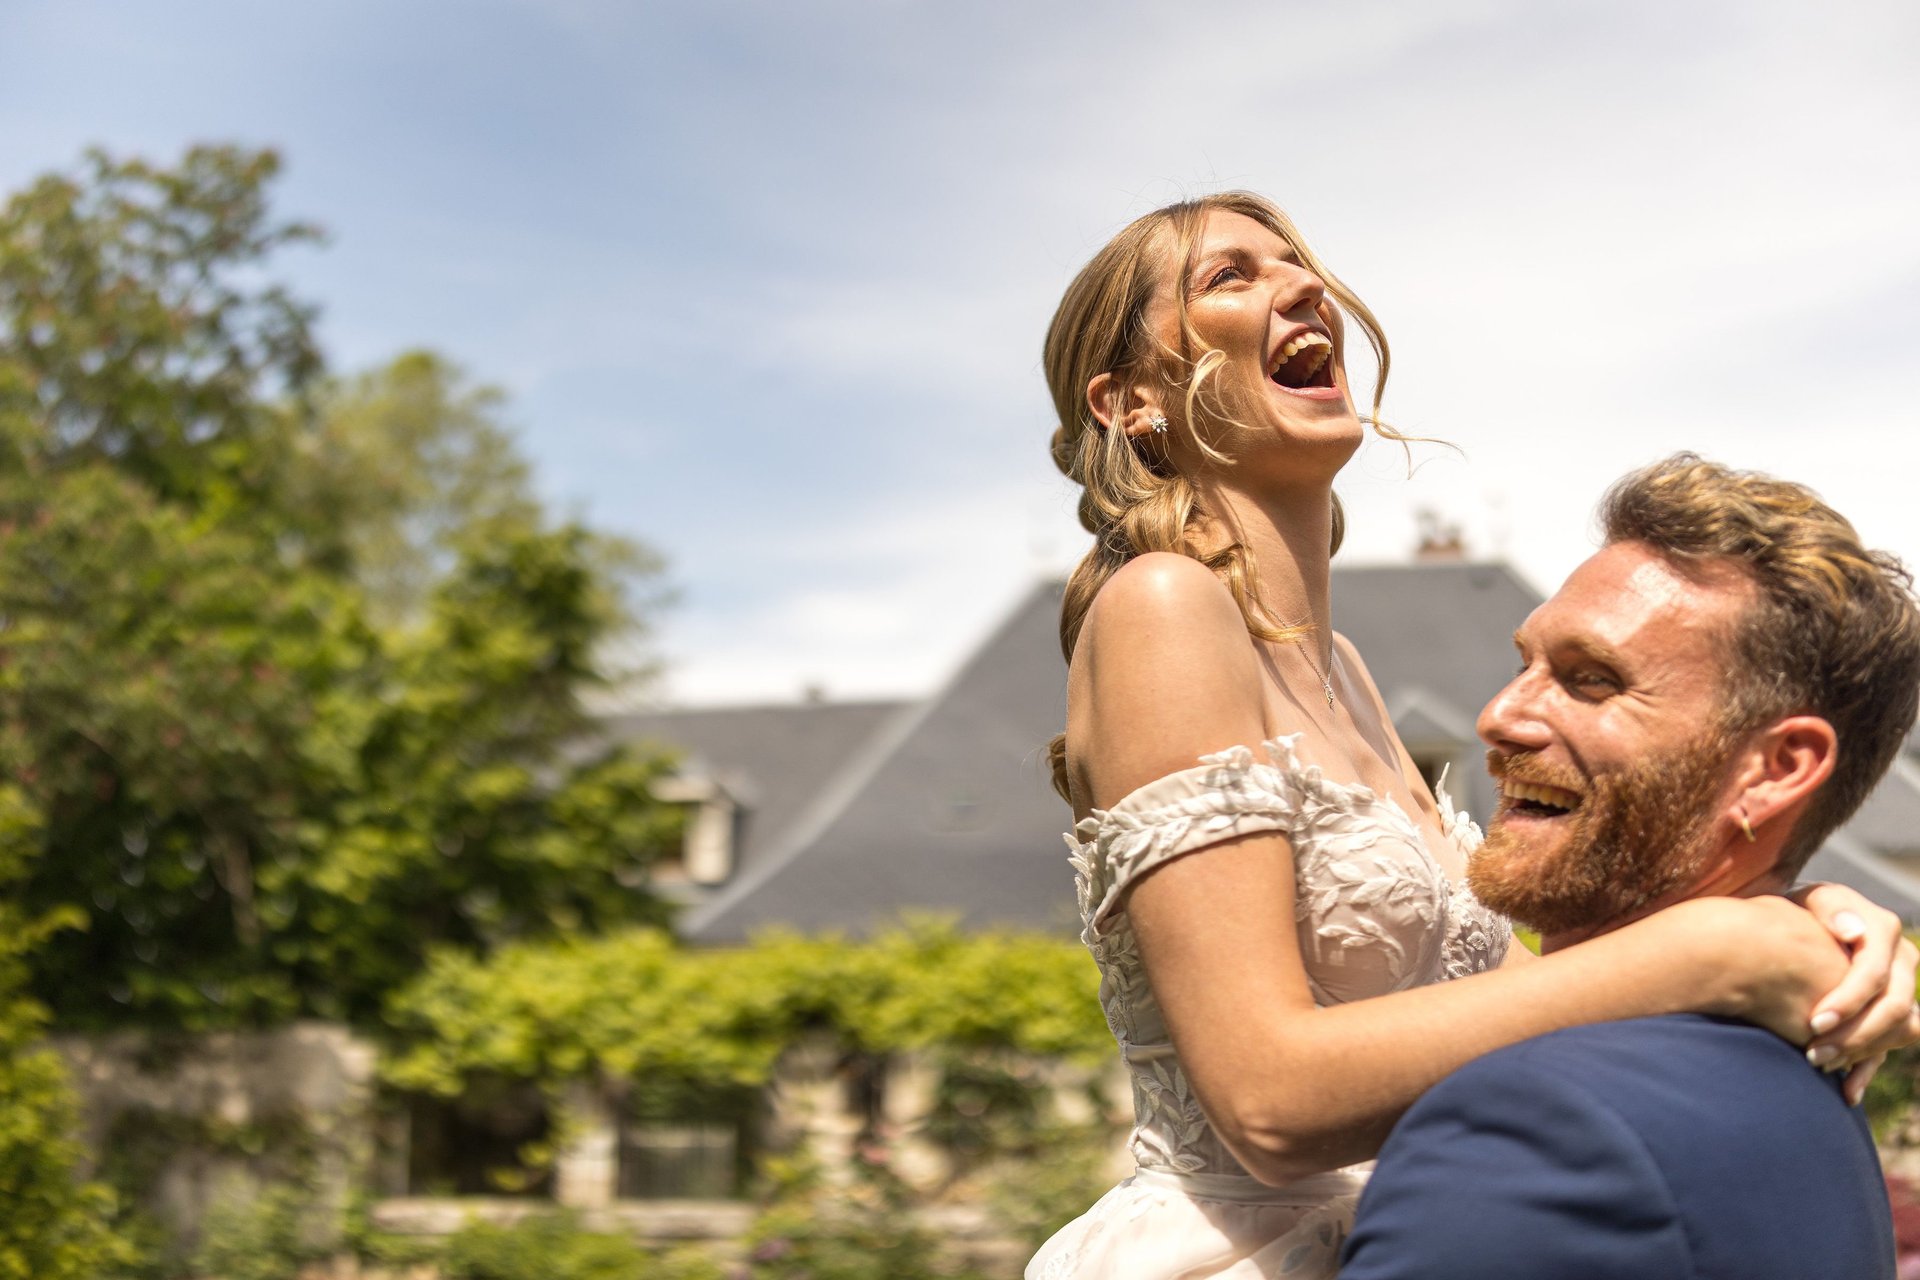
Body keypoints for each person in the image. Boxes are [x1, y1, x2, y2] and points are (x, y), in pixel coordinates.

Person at [1026, 192, 1920, 1280]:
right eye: (1231, 277)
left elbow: (1517, 995)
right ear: (1129, 403)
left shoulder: (1342, 670)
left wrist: (1792, 903)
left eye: (1298, 262)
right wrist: (1713, 952)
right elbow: (1266, 1100)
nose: (1304, 286)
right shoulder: (1161, 605)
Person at [1339, 454, 1917, 1278]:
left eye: (1591, 681)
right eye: (1522, 665)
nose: (1498, 718)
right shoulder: (1800, 1070)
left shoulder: (1539, 1126)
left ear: (1779, 768)